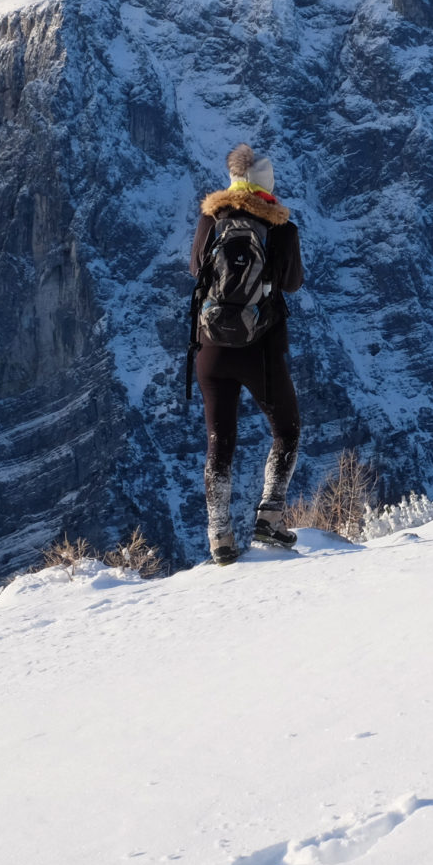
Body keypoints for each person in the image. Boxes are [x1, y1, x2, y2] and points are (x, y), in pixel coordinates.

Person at [189, 143, 304, 565]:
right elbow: (292, 283)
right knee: (286, 429)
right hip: (261, 349)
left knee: (220, 441)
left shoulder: (210, 219)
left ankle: (219, 535)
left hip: (211, 351)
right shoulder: (282, 229)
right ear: (267, 188)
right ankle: (269, 517)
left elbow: (195, 269)